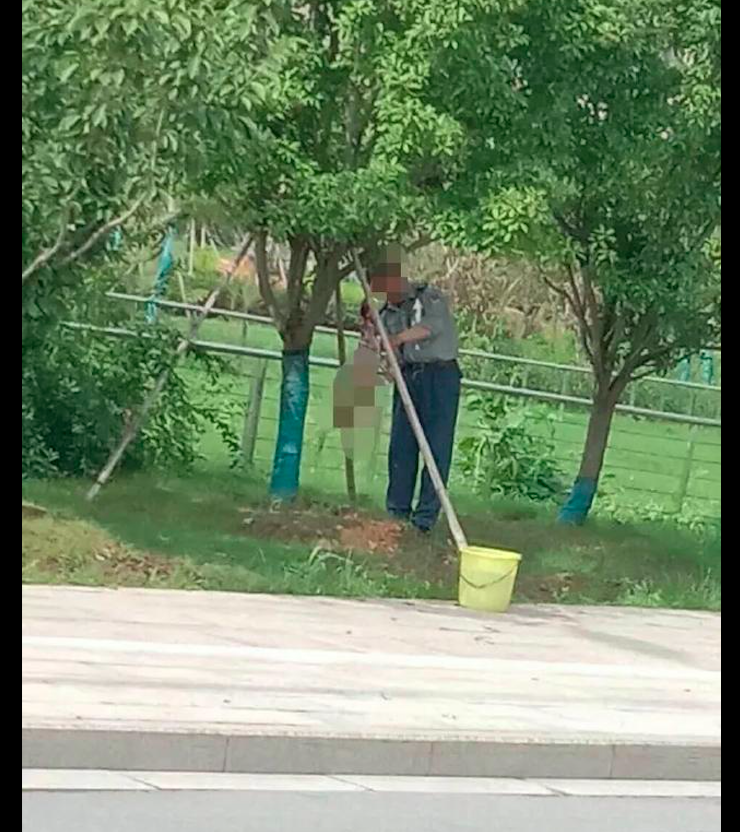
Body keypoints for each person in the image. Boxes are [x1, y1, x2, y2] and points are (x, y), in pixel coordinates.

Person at [366, 246, 461, 532]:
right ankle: (397, 512)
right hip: (409, 378)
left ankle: (425, 520)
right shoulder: (386, 313)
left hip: (439, 377)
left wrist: (392, 339)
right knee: (401, 447)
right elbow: (387, 354)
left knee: (436, 448)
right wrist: (378, 347)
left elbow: (430, 328)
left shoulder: (428, 298)